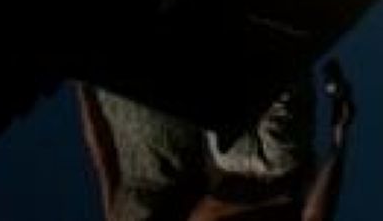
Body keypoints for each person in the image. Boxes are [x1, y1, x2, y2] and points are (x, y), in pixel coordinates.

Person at [75, 59, 355, 221]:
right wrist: (338, 140)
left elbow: (103, 159)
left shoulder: (120, 212)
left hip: (223, 148)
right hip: (266, 161)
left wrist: (82, 86)